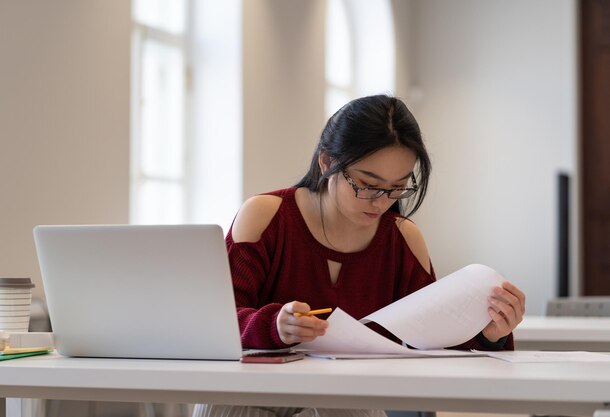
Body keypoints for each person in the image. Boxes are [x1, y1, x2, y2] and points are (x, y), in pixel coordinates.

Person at [193, 94, 526, 417]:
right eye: (368, 184)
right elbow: (215, 324)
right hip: (250, 394)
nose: (381, 202)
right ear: (327, 162)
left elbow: (434, 347)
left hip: (345, 401)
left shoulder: (402, 239)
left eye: (398, 188)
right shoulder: (266, 217)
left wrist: (490, 335)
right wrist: (273, 326)